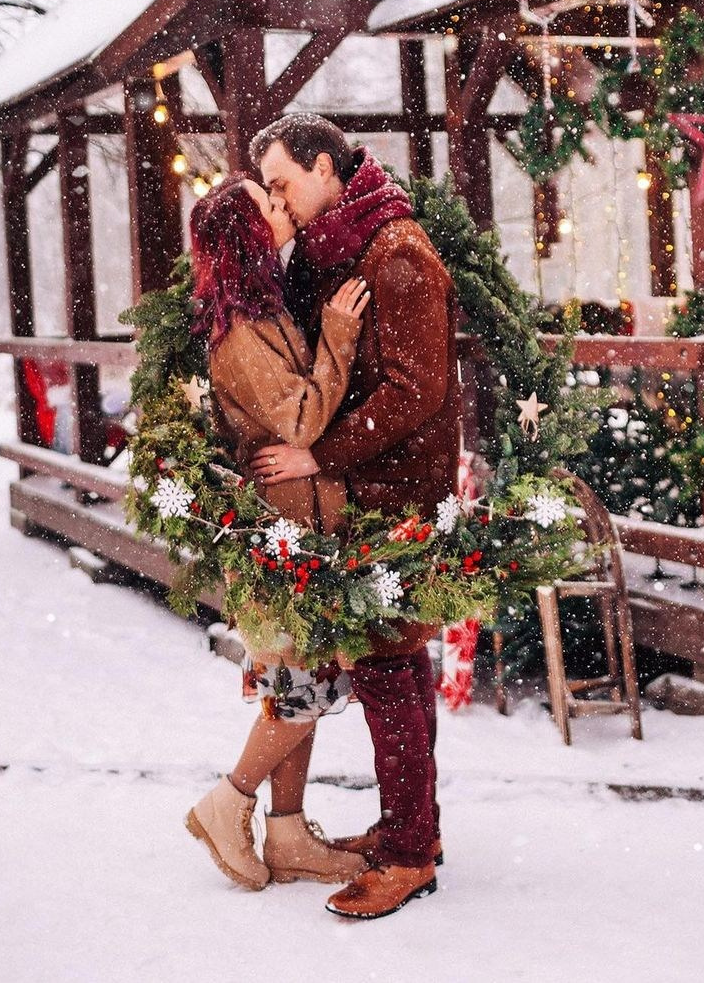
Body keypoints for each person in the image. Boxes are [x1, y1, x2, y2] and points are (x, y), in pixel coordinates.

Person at [249, 114, 460, 921]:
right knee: (393, 668)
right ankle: (415, 830)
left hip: (397, 498)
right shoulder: (348, 249)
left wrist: (320, 455)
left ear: (330, 169)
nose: (279, 200)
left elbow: (418, 390)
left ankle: (408, 855)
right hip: (377, 493)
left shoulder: (395, 256)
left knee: (385, 670)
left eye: (283, 183)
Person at [183, 175, 371, 892]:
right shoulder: (238, 338)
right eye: (268, 204)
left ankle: (287, 833)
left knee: (302, 683)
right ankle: (227, 801)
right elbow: (298, 419)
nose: (283, 205)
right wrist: (340, 335)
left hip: (304, 527)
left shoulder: (266, 313)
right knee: (306, 688)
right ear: (249, 235)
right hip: (275, 541)